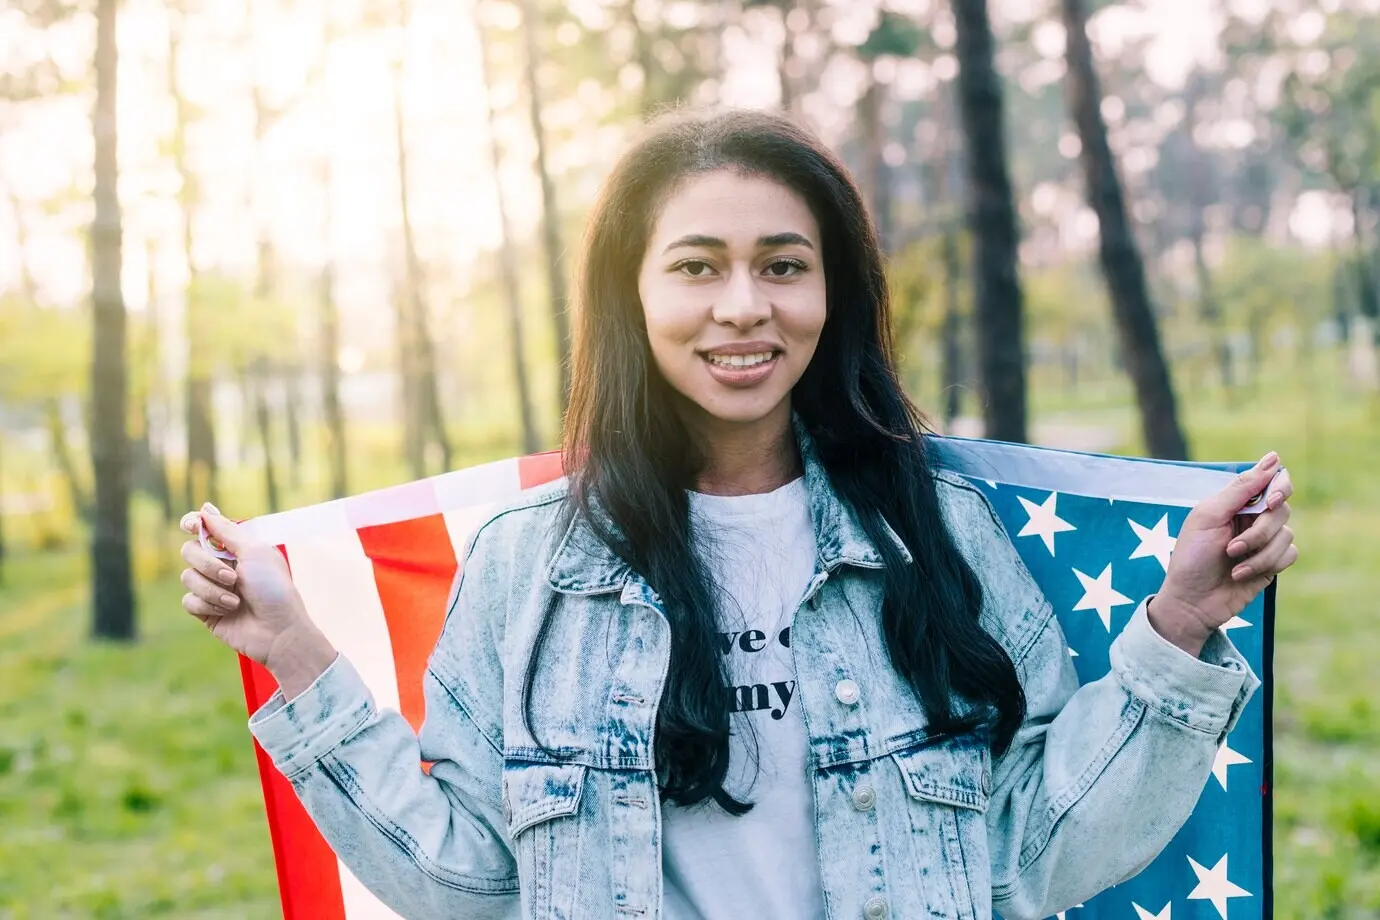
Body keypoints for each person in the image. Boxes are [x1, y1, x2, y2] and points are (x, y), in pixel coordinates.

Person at [177, 109, 1296, 920]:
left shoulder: (941, 532)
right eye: (698, 267)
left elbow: (1034, 853)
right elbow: (467, 885)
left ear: (832, 292)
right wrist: (295, 650)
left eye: (783, 265)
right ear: (634, 295)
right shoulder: (528, 566)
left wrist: (1182, 620)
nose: (744, 306)